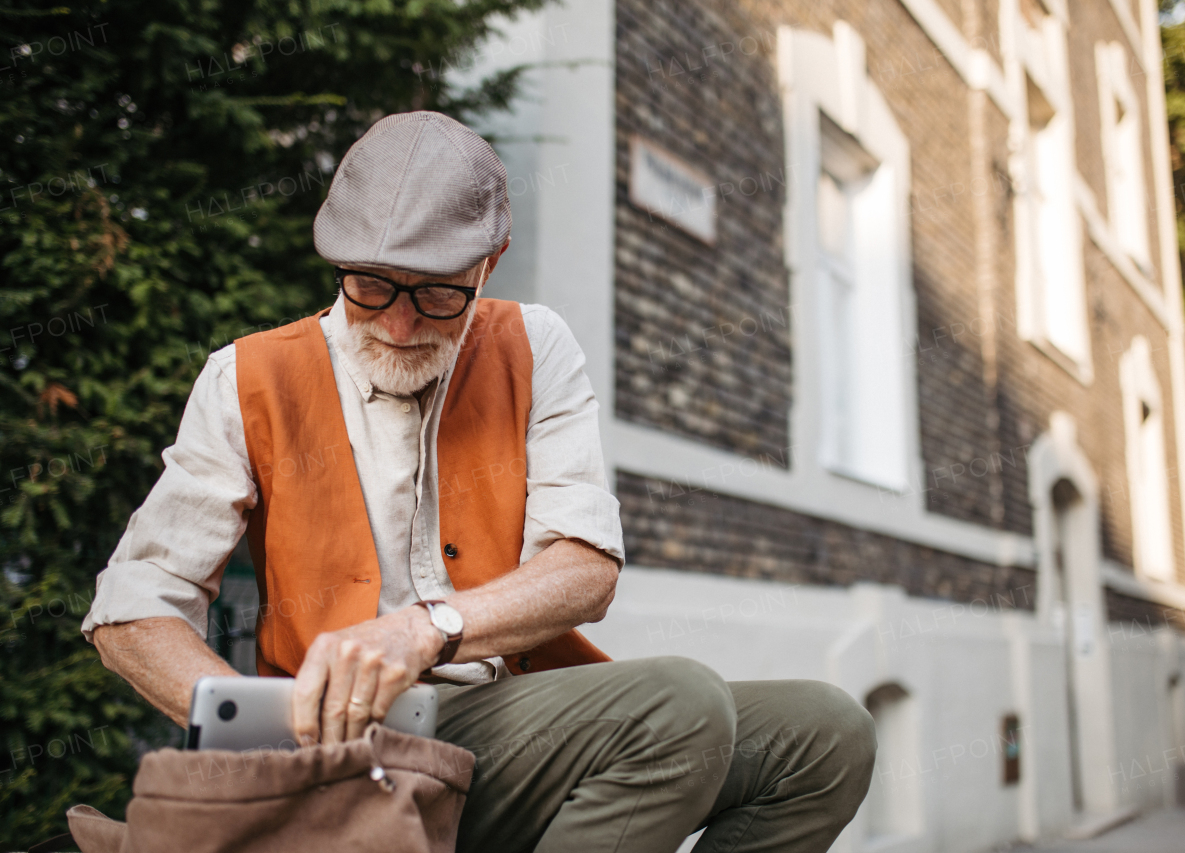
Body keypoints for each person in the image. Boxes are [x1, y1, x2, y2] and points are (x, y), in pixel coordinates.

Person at [84, 110, 876, 852]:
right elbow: (132, 606)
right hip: (352, 749)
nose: (397, 323)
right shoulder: (247, 375)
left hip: (510, 717)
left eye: (435, 293)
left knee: (826, 732)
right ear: (338, 258)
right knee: (681, 702)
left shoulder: (536, 344)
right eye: (370, 285)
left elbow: (584, 566)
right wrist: (263, 730)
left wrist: (426, 627)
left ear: (487, 264)